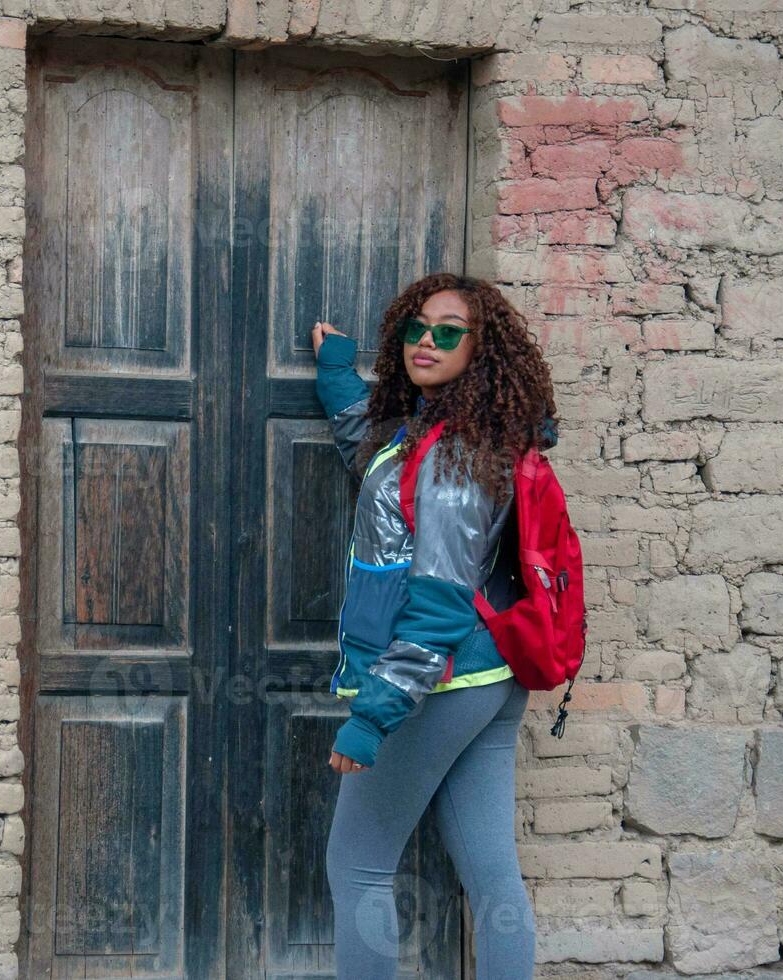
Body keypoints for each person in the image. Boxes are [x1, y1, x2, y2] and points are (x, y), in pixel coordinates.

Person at [311, 272, 557, 979]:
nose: (427, 340)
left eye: (448, 331)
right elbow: (374, 453)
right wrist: (337, 375)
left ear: (480, 349)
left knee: (357, 866)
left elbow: (437, 610)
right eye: (418, 326)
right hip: (489, 678)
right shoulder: (448, 433)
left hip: (437, 681)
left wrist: (371, 719)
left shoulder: (453, 460)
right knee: (490, 872)